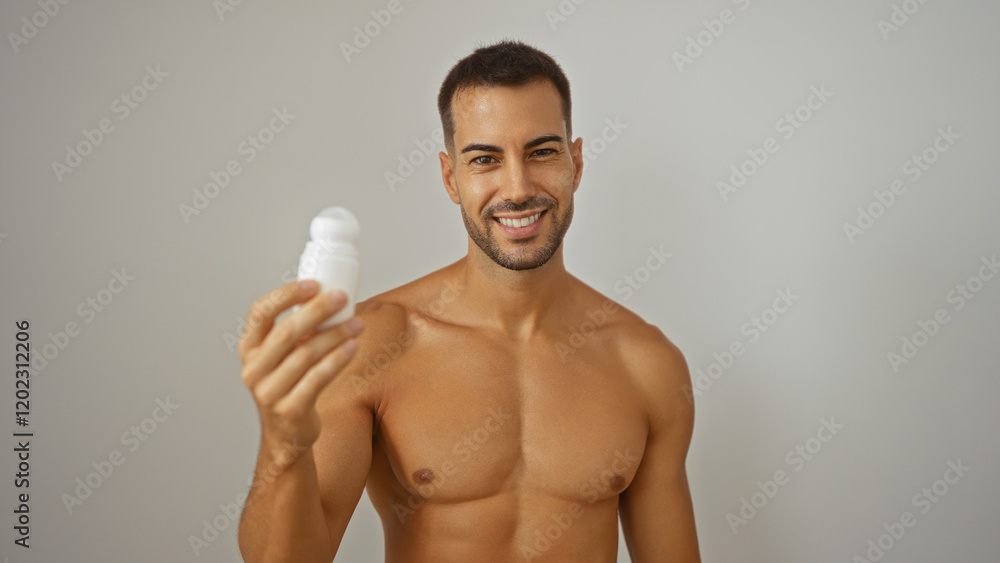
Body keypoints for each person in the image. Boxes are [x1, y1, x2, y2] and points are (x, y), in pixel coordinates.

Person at [236, 39, 701, 562]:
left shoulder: (647, 364)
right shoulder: (372, 346)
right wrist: (283, 441)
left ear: (575, 163)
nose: (517, 187)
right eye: (485, 159)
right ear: (450, 177)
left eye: (542, 152)